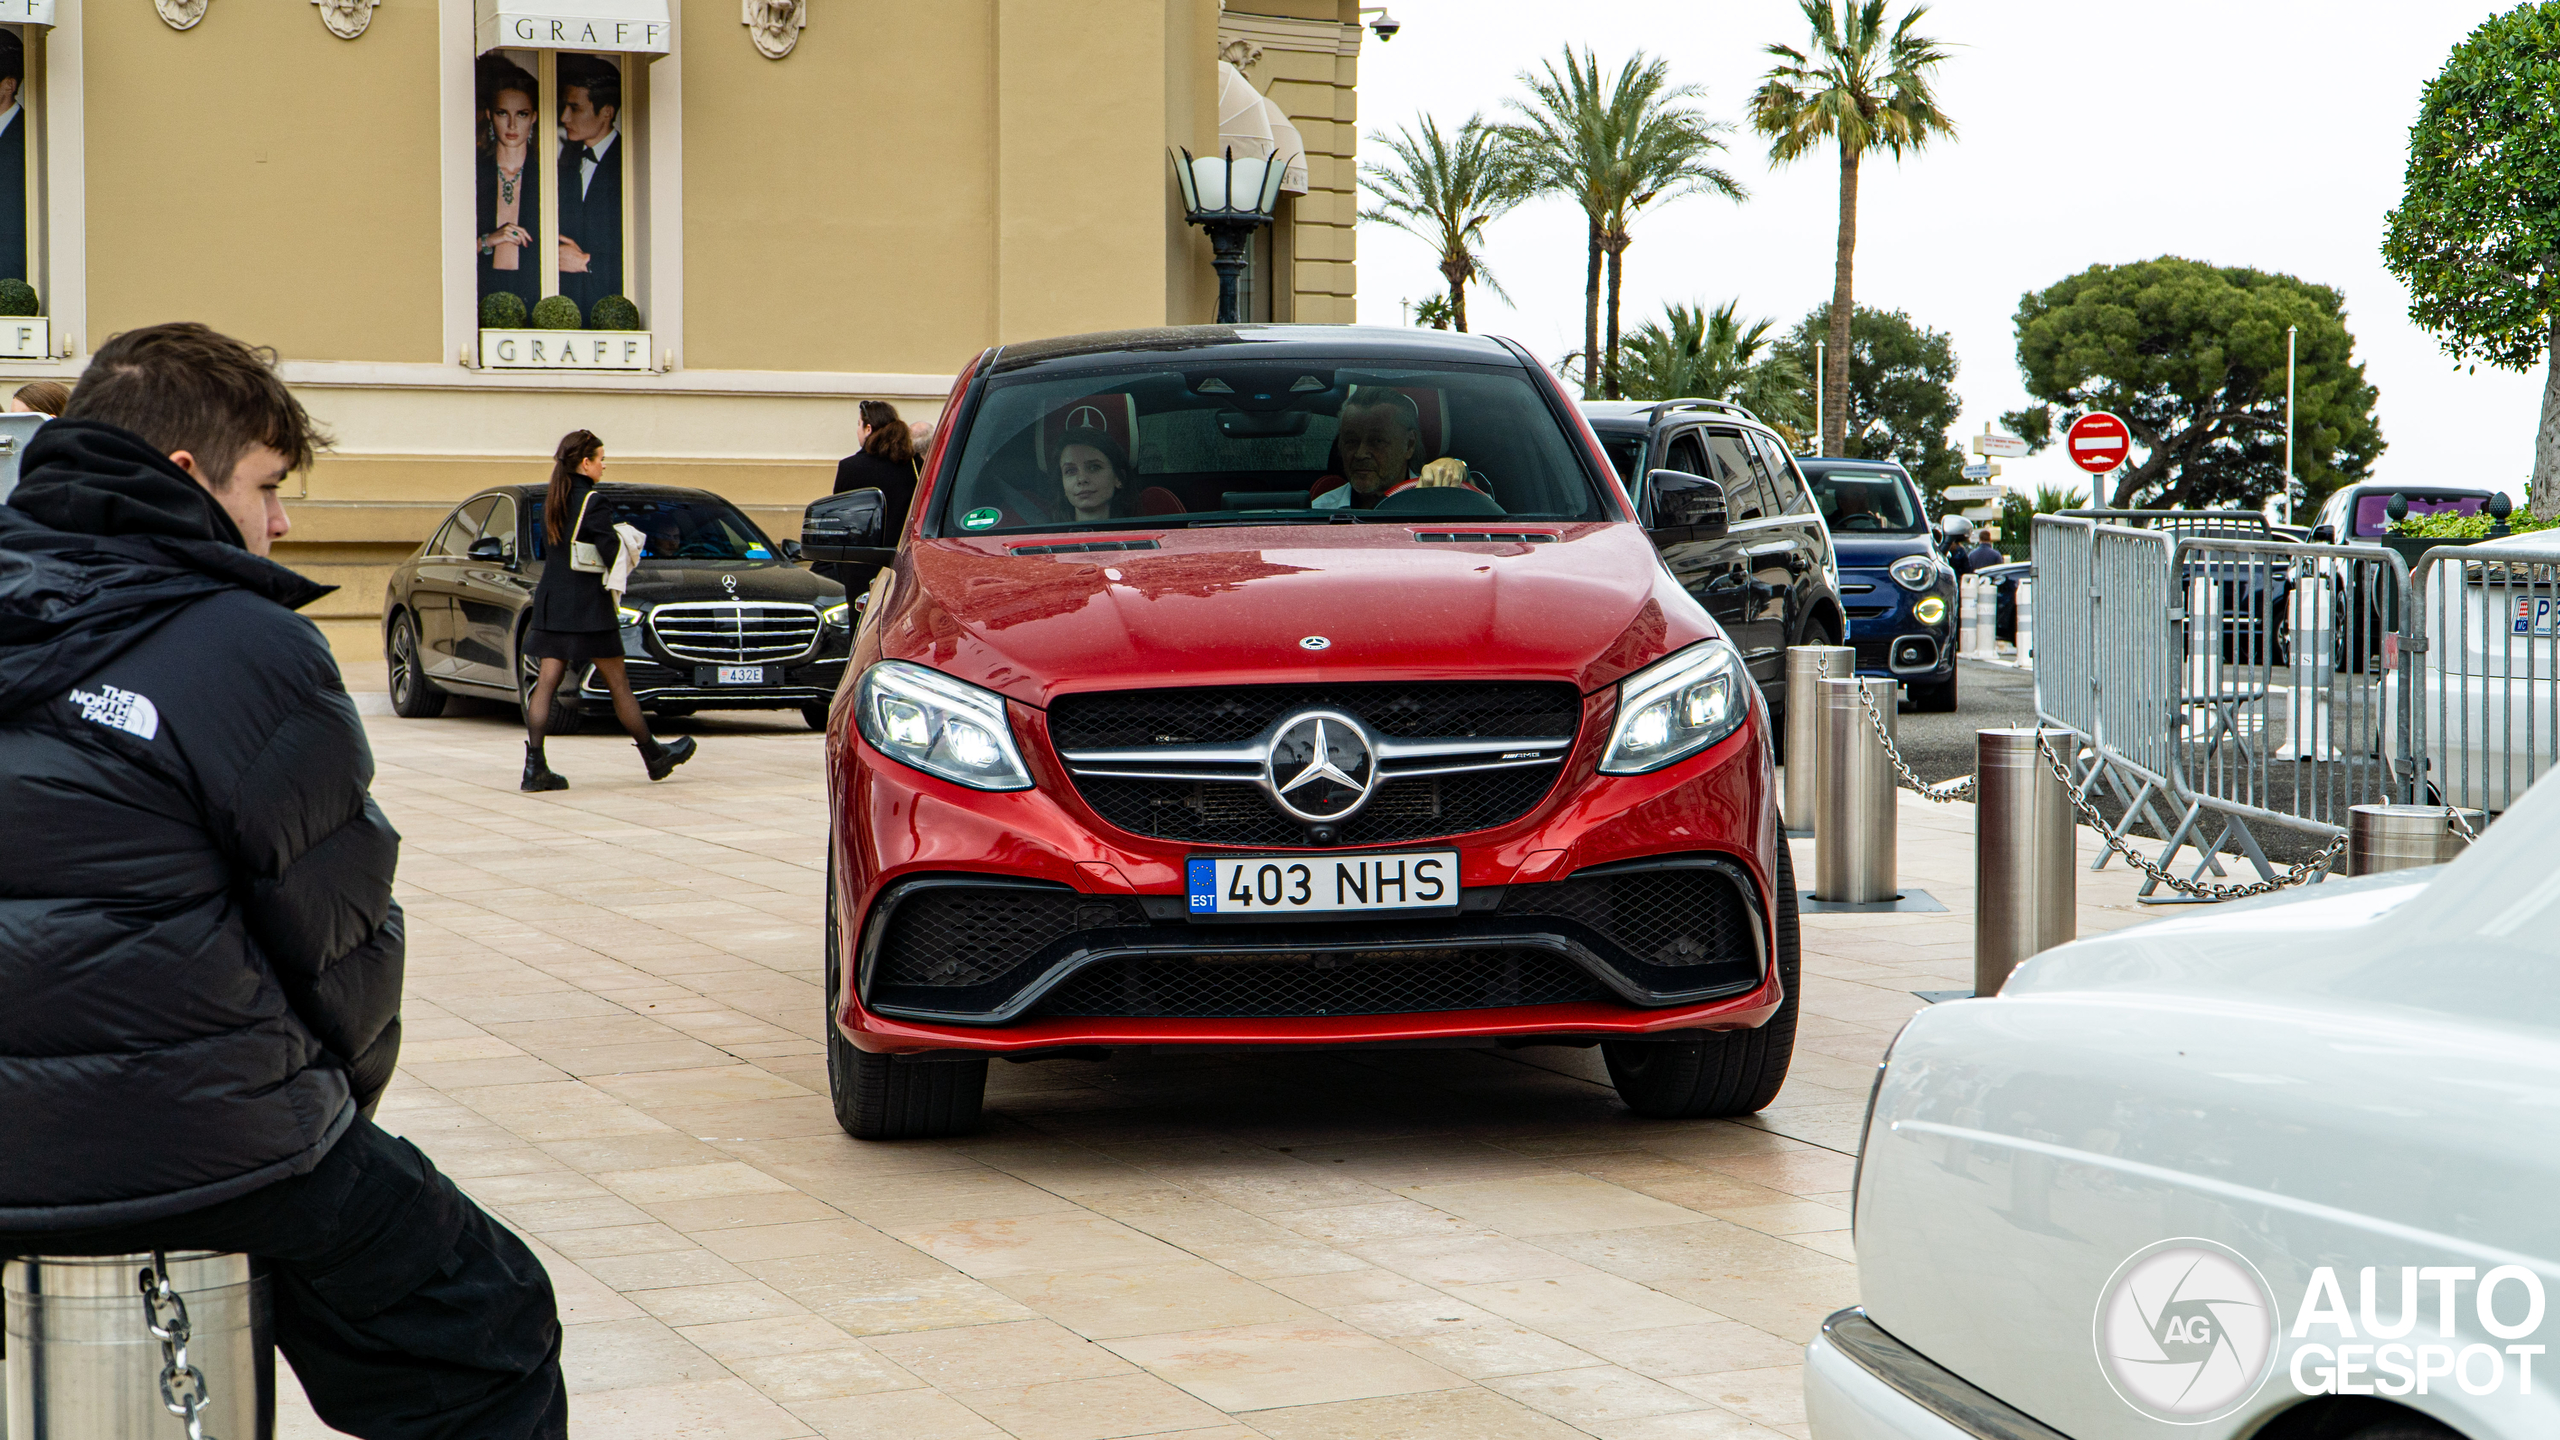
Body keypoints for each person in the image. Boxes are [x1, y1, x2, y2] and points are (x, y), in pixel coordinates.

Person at [0, 322, 567, 1438]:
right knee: (483, 1323)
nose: (281, 521)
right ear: (187, 476)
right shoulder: (246, 642)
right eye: (265, 486)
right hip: (195, 1142)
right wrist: (328, 1115)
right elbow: (340, 942)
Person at [519, 429, 697, 791]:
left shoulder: (554, 499)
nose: (604, 465)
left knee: (546, 683)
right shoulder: (593, 500)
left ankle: (534, 767)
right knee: (618, 684)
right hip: (587, 607)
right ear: (585, 463)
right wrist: (624, 539)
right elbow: (609, 552)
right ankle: (654, 756)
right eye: (600, 459)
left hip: (553, 602)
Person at [1310, 388, 1470, 508]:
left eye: (1377, 441)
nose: (1360, 454)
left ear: (1409, 445)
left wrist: (1460, 471)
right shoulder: (1320, 511)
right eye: (1351, 441)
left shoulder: (1441, 502)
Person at [825, 400, 920, 593]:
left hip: (861, 570)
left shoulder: (851, 468)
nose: (857, 431)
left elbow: (842, 522)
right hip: (905, 566)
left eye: (859, 425)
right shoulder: (915, 465)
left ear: (868, 428)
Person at [555, 57, 624, 316]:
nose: (564, 117)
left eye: (575, 107)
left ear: (607, 111)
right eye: (565, 106)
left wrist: (587, 262)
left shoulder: (631, 164)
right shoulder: (564, 162)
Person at [474, 56, 540, 317]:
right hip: (477, 295)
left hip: (536, 298)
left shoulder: (552, 176)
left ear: (533, 117)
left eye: (521, 114)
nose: (512, 125)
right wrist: (489, 239)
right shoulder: (472, 173)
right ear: (490, 114)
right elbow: (442, 249)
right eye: (503, 113)